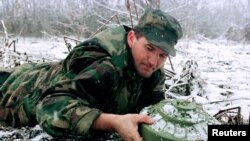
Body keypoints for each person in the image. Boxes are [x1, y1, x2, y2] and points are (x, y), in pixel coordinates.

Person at [0, 8, 182, 140]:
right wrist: (112, 122)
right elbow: (49, 108)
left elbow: (152, 110)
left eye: (162, 55)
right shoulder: (104, 65)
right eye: (149, 48)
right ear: (132, 38)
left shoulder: (153, 70)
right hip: (15, 93)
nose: (153, 61)